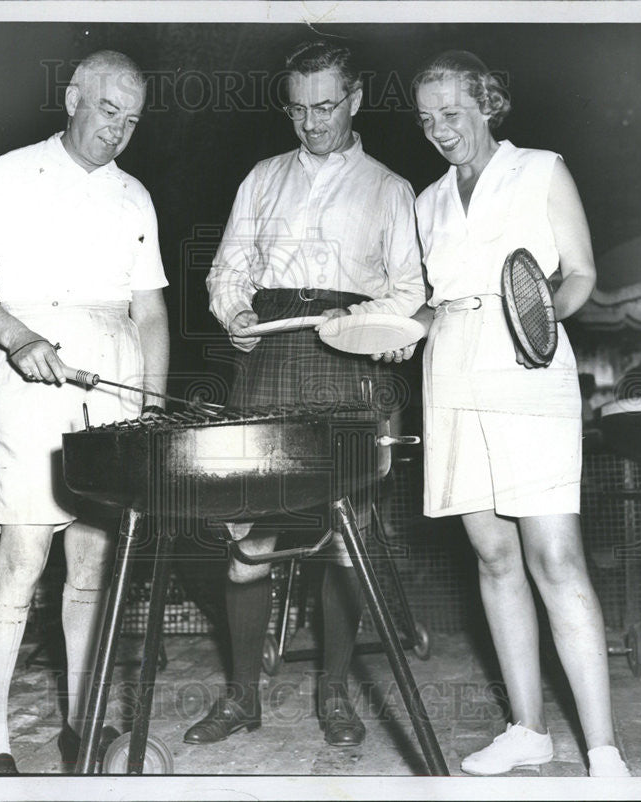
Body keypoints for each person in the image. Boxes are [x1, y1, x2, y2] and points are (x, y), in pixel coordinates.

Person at [0, 50, 169, 775]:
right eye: (107, 111)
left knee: (94, 559)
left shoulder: (135, 197)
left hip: (116, 378)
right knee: (26, 552)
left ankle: (82, 723)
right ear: (73, 97)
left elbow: (152, 311)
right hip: (32, 372)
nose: (117, 131)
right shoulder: (9, 175)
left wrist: (153, 406)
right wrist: (17, 336)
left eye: (131, 121)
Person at [398, 50, 630, 777]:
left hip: (530, 370)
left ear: (489, 103)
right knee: (494, 556)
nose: (440, 130)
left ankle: (604, 749)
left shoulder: (541, 170)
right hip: (454, 370)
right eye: (428, 118)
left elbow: (583, 272)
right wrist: (396, 334)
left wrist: (540, 323)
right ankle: (527, 729)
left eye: (454, 114)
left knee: (555, 557)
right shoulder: (427, 201)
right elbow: (434, 304)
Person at [192, 40, 425, 749]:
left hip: (349, 362)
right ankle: (240, 698)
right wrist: (233, 312)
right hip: (270, 359)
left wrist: (379, 329)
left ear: (354, 100)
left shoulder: (391, 189)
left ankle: (333, 693)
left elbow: (411, 291)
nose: (311, 124)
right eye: (297, 110)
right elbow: (228, 268)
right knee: (249, 531)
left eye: (325, 107)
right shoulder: (261, 178)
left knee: (345, 535)